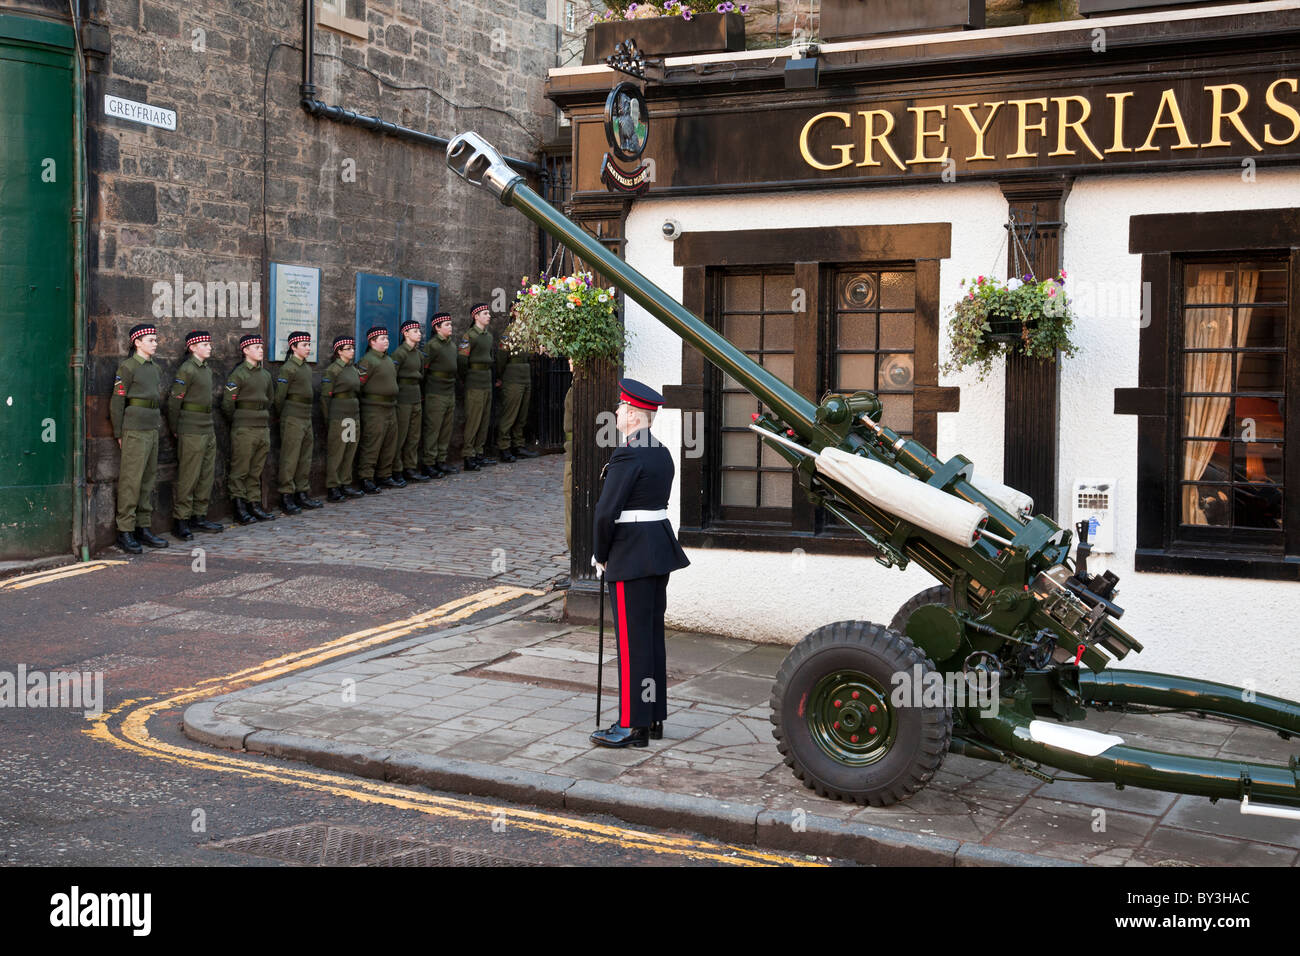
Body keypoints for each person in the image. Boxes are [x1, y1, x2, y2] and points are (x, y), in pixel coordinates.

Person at [590, 378, 690, 749]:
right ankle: (654, 716)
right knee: (650, 637)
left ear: (632, 415)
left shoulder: (628, 453)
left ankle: (632, 725)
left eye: (620, 408)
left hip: (630, 553)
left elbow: (604, 513)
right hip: (656, 550)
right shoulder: (659, 451)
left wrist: (601, 554)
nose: (616, 412)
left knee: (633, 644)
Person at [109, 323, 169, 553]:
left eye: (155, 339)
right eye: (151, 340)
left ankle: (143, 526)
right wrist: (118, 432)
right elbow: (117, 402)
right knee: (131, 481)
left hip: (151, 427)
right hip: (134, 429)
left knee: (147, 480)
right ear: (137, 342)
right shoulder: (128, 367)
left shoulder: (155, 368)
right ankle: (125, 531)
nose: (155, 343)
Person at [166, 329, 224, 540]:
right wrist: (176, 429)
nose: (209, 347)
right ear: (192, 347)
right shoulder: (187, 370)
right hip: (190, 428)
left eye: (209, 344)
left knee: (206, 475)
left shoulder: (206, 370)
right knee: (188, 476)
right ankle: (181, 520)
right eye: (205, 344)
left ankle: (199, 516)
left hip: (207, 427)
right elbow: (174, 402)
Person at [221, 333, 276, 524]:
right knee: (241, 469)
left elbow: (270, 399)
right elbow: (228, 404)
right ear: (245, 350)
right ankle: (239, 507)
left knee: (256, 470)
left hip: (262, 427)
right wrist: (239, 420)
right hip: (244, 428)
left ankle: (254, 504)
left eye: (261, 347)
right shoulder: (239, 374)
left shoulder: (266, 375)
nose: (260, 350)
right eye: (256, 348)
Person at [273, 330, 322, 515]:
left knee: (305, 456)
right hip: (292, 416)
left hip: (306, 415)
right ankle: (286, 495)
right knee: (290, 457)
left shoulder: (306, 368)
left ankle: (302, 492)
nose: (308, 348)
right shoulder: (288, 368)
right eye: (304, 345)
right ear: (293, 347)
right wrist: (283, 416)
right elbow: (279, 398)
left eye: (309, 345)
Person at [320, 334, 365, 501]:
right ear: (339, 351)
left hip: (353, 415)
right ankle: (333, 486)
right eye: (348, 349)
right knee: (337, 452)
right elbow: (325, 398)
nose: (352, 351)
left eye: (353, 348)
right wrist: (329, 419)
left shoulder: (352, 369)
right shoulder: (333, 370)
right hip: (340, 417)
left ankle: (345, 483)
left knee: (349, 450)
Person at [356, 325, 400, 492]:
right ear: (372, 342)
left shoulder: (388, 360)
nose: (386, 341)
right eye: (382, 339)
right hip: (374, 409)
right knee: (372, 444)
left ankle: (384, 475)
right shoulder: (368, 361)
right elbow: (359, 384)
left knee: (389, 443)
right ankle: (366, 477)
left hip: (390, 407)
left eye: (387, 338)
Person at [390, 318, 431, 483]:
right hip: (403, 398)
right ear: (405, 333)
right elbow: (393, 376)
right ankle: (396, 469)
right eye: (415, 331)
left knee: (414, 436)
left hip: (415, 396)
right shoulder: (399, 353)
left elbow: (421, 375)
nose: (419, 334)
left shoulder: (419, 355)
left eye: (419, 331)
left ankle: (410, 467)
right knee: (401, 436)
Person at [420, 312, 459, 478]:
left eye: (450, 324)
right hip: (435, 392)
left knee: (446, 429)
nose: (450, 327)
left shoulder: (452, 345)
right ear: (437, 328)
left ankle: (441, 461)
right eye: (446, 325)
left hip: (449, 391)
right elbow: (423, 368)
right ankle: (429, 463)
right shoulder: (432, 345)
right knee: (433, 429)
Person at [459, 303, 496, 470]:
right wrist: (466, 378)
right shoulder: (469, 336)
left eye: (488, 313)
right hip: (474, 381)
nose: (488, 316)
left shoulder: (488, 336)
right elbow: (462, 361)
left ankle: (479, 452)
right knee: (473, 419)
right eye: (485, 313)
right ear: (476, 316)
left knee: (484, 419)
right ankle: (468, 455)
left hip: (486, 380)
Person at [494, 334, 538, 463]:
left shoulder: (528, 332)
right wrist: (500, 377)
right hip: (512, 378)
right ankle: (504, 447)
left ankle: (518, 445)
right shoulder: (508, 334)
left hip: (525, 377)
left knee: (522, 415)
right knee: (509, 415)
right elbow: (501, 358)